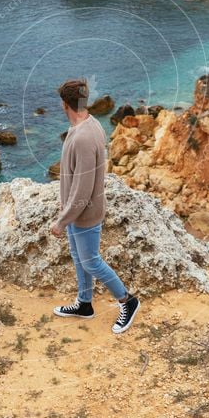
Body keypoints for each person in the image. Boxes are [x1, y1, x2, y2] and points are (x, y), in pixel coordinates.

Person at [50, 78, 140, 334]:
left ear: (64, 104)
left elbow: (83, 188)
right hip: (78, 212)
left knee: (91, 262)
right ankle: (84, 304)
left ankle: (127, 301)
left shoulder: (83, 137)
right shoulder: (91, 125)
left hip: (85, 214)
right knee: (81, 259)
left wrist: (62, 220)